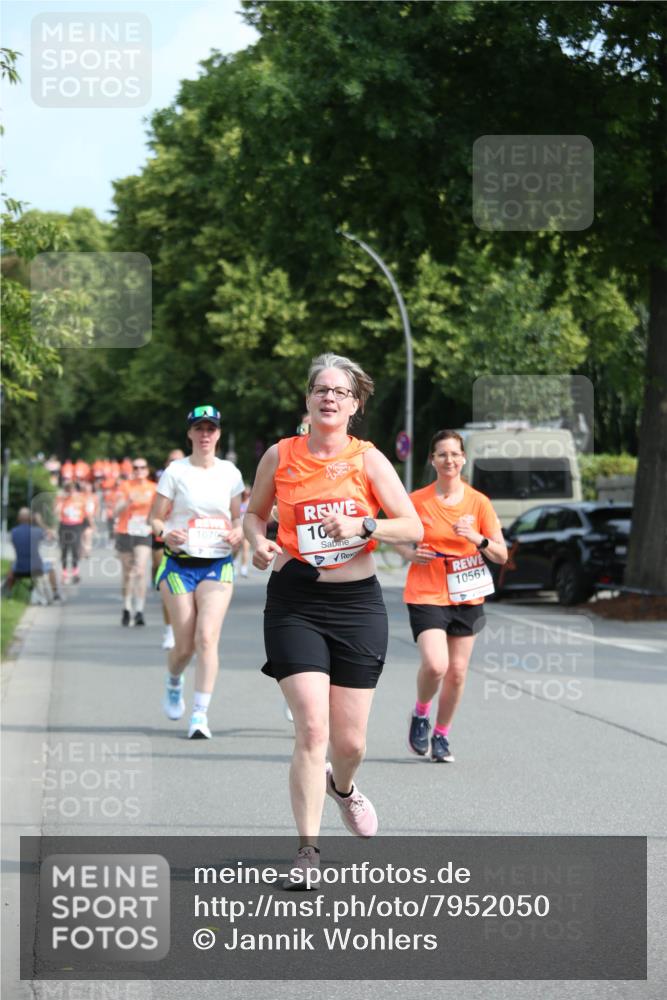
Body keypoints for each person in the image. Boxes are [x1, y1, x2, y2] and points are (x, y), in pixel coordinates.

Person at [244, 353, 422, 885]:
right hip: (294, 602)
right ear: (307, 399)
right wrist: (256, 542)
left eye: (340, 392)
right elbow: (255, 513)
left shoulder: (369, 461)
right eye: (320, 389)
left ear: (355, 405)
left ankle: (342, 787)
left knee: (351, 743)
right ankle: (307, 851)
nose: (329, 398)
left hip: (357, 606)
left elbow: (411, 526)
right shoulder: (281, 455)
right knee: (312, 728)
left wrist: (365, 524)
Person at [394, 430, 507, 763]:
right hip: (426, 590)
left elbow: (501, 554)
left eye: (455, 454)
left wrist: (477, 538)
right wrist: (409, 554)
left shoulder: (478, 502)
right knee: (436, 664)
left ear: (463, 459)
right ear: (432, 459)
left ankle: (441, 735)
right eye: (442, 454)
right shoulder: (416, 501)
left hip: (467, 591)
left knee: (457, 672)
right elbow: (395, 535)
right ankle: (420, 712)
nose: (449, 460)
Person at [148, 406, 244, 740]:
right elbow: (155, 519)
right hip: (179, 564)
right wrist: (165, 532)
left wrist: (238, 532)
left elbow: (240, 517)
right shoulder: (176, 472)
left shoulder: (230, 472)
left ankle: (199, 715)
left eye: (211, 429)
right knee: (185, 647)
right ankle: (174, 680)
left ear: (218, 434)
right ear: (189, 433)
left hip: (217, 565)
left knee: (207, 638)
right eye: (199, 429)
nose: (205, 435)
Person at [114, 458, 157, 626]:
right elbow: (116, 511)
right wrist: (127, 502)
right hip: (125, 531)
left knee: (140, 570)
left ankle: (139, 610)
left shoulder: (153, 488)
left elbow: (157, 510)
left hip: (143, 532)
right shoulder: (125, 486)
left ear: (147, 470)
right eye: (136, 467)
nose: (139, 470)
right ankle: (126, 607)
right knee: (128, 573)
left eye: (143, 467)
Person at [152, 449, 185, 649]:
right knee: (167, 585)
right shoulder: (161, 485)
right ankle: (169, 630)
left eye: (180, 461)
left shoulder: (196, 482)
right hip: (163, 538)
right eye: (172, 460)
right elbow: (153, 515)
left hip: (190, 542)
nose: (176, 464)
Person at [6, 508, 62, 603]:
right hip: (36, 568)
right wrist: (40, 522)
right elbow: (52, 537)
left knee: (11, 566)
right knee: (51, 568)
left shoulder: (14, 532)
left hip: (20, 569)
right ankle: (55, 593)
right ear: (30, 519)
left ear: (18, 519)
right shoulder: (37, 531)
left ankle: (9, 593)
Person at [55, 481, 88, 584]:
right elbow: (55, 512)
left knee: (75, 549)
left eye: (73, 489)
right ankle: (64, 573)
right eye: (68, 489)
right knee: (64, 550)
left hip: (77, 526)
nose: (71, 491)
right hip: (64, 526)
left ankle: (75, 572)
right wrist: (60, 502)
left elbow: (86, 513)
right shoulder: (62, 499)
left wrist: (87, 527)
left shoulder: (81, 499)